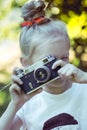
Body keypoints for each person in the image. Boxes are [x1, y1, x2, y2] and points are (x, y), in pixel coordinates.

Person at [0, 0, 87, 130]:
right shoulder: (27, 103)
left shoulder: (83, 90)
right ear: (26, 63)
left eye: (64, 58)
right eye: (49, 61)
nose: (58, 66)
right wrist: (15, 104)